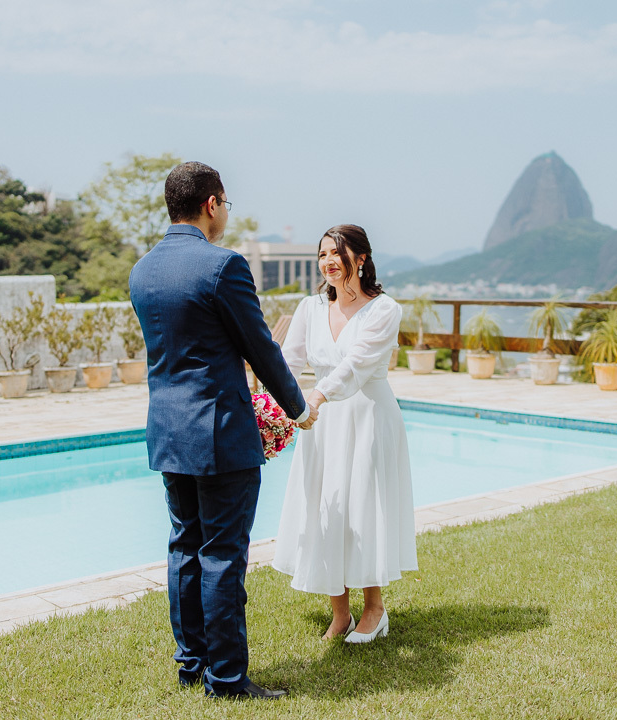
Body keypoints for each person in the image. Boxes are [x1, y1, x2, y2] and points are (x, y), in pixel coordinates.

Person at [128, 162, 318, 700]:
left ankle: (191, 664)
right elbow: (260, 347)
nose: (226, 214)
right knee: (222, 555)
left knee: (184, 547)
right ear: (212, 204)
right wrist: (297, 409)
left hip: (167, 430)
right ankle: (229, 679)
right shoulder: (222, 266)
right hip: (219, 431)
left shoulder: (142, 270)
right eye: (226, 204)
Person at [272, 224, 418, 643]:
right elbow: (289, 360)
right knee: (325, 507)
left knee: (363, 508)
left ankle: (375, 610)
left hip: (367, 416)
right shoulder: (309, 307)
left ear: (362, 258)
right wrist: (275, 402)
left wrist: (314, 398)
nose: (328, 261)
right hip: (320, 422)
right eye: (322, 254)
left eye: (337, 253)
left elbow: (356, 365)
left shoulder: (384, 309)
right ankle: (340, 613)